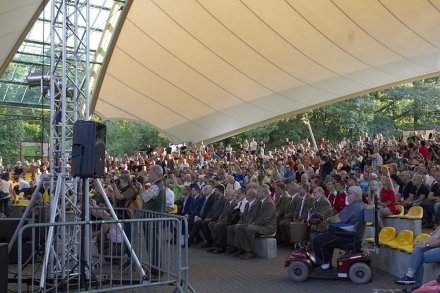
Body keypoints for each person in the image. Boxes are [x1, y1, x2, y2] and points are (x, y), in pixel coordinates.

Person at [312, 186, 364, 271]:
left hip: (345, 234)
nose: (347, 195)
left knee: (317, 240)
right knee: (325, 239)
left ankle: (325, 265)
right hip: (347, 232)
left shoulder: (354, 206)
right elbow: (338, 216)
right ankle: (327, 263)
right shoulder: (357, 205)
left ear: (357, 196)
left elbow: (337, 219)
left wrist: (328, 219)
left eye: (350, 193)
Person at [396, 227, 440, 292]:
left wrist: (426, 244)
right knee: (417, 249)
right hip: (436, 246)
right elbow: (434, 237)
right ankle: (409, 275)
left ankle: (416, 286)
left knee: (418, 257)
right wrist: (420, 242)